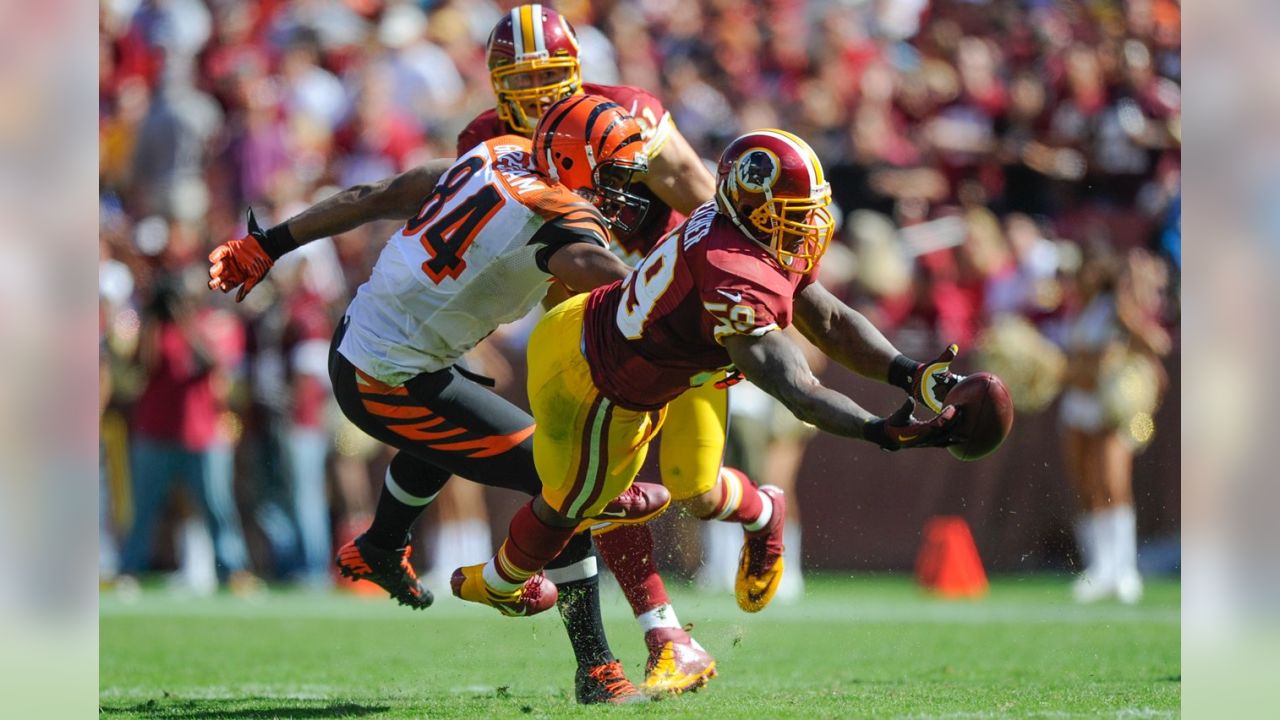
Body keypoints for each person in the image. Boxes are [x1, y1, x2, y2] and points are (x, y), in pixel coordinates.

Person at [208, 95, 667, 704]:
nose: (618, 189)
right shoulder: (559, 219)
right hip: (386, 377)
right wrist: (689, 322)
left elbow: (371, 195)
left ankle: (380, 544)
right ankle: (596, 670)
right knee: (563, 484)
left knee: (448, 427)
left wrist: (268, 243)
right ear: (569, 162)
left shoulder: (495, 153)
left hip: (377, 342)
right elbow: (602, 272)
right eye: (609, 174)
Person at [453, 129, 966, 621]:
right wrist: (878, 431)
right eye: (795, 214)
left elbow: (829, 319)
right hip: (598, 374)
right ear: (752, 206)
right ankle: (502, 582)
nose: (811, 225)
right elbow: (798, 390)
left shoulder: (747, 232)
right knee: (576, 501)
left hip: (651, 358)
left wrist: (909, 372)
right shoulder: (734, 270)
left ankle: (764, 512)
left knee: (694, 490)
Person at [457, 5, 741, 693]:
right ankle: (643, 645)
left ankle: (758, 515)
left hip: (671, 318)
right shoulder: (489, 141)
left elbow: (712, 214)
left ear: (579, 74)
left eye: (550, 78)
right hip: (583, 323)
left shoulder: (630, 116)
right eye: (520, 82)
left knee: (695, 487)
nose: (536, 96)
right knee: (585, 481)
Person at [1060, 245, 1171, 604]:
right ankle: (1098, 568)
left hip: (1112, 408)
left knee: (1114, 483)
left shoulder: (1116, 308)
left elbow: (1156, 344)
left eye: (1091, 271)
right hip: (1078, 405)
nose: (1084, 278)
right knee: (1086, 486)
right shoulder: (1080, 310)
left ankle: (1125, 570)